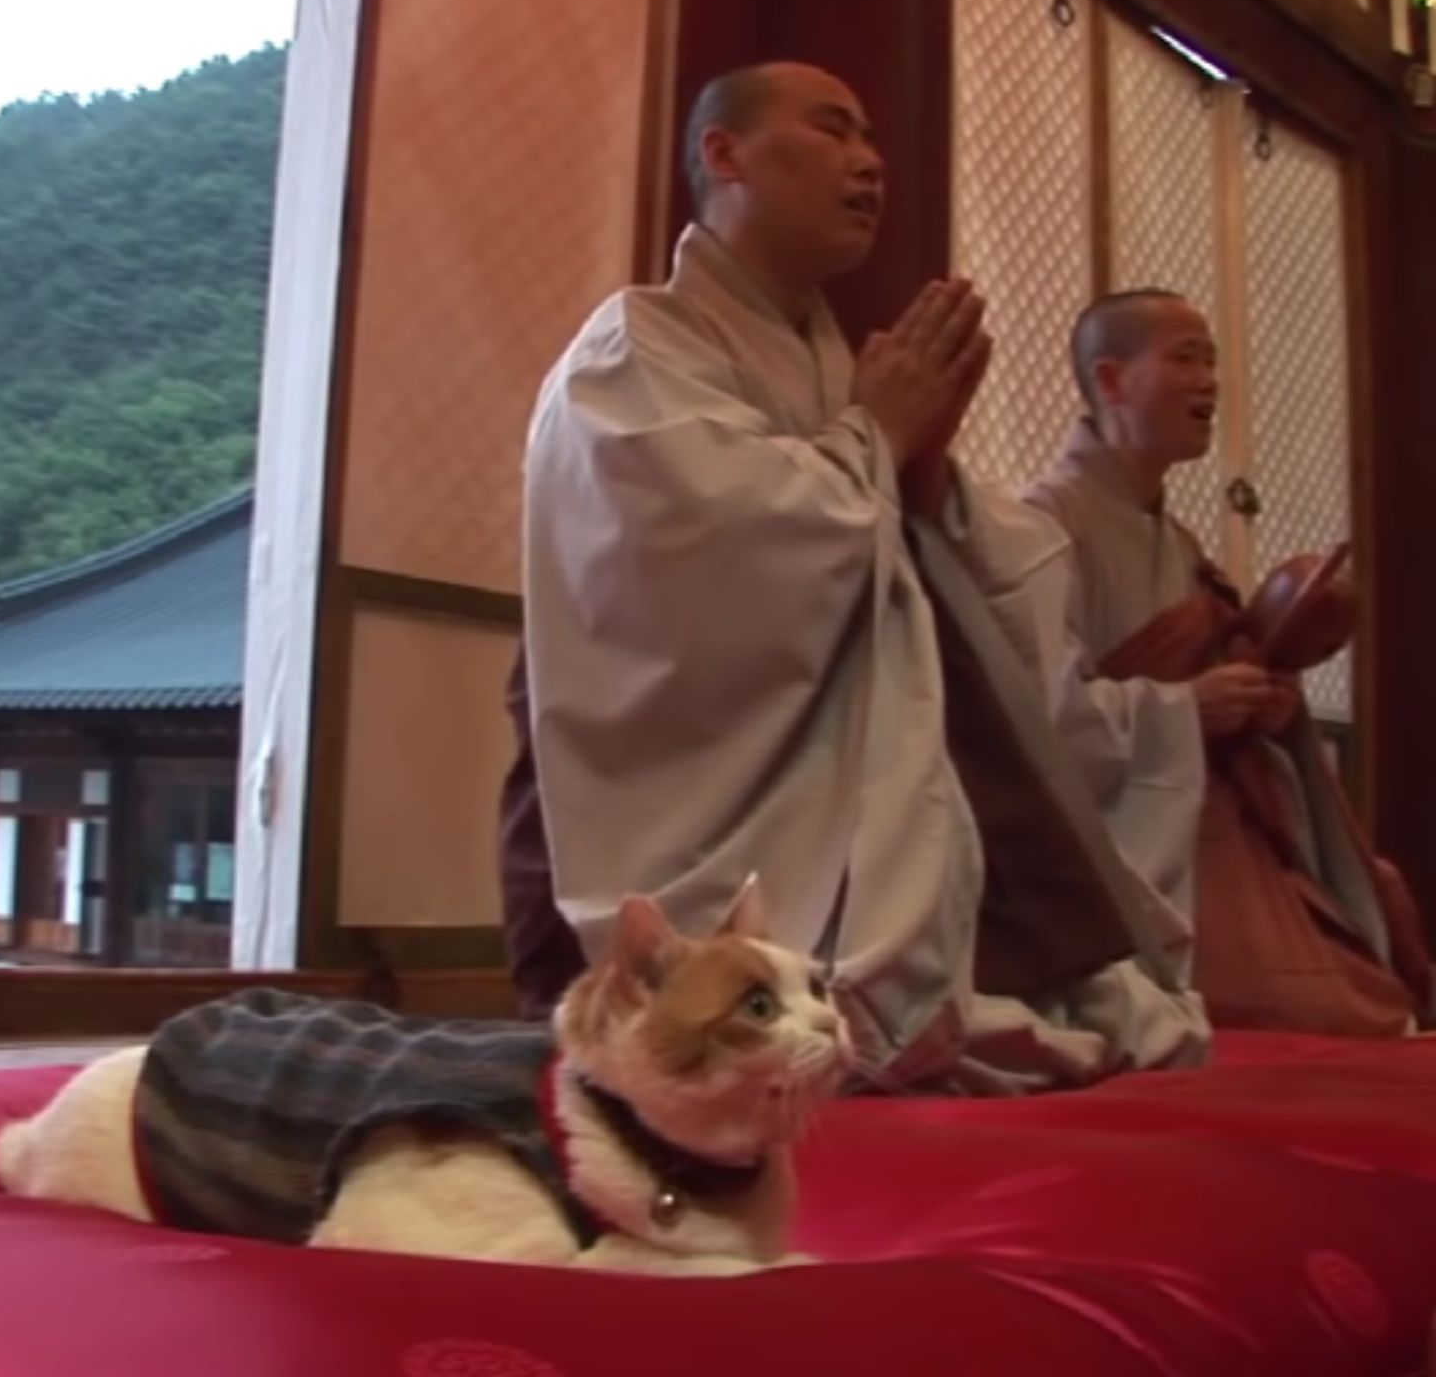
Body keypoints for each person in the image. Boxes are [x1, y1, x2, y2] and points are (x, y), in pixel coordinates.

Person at [501, 62, 1208, 1092]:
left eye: (872, 137)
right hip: (675, 765)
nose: (869, 162)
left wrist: (914, 472)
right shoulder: (634, 345)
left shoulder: (835, 368)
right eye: (831, 130)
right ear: (723, 153)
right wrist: (875, 437)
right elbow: (712, 547)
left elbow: (948, 566)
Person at [1025, 288, 1431, 1035]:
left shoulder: (1179, 547)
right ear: (1111, 380)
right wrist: (1186, 709)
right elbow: (1035, 721)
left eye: (1212, 359)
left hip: (1204, 823)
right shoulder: (1039, 524)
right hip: (1123, 844)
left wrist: (1265, 712)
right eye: (1186, 357)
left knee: (1369, 961)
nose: (1211, 380)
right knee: (1314, 1009)